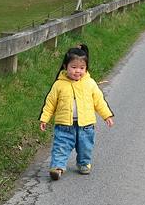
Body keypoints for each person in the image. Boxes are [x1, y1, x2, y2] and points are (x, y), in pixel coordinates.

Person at [39, 44, 114, 180]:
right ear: (65, 67)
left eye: (81, 68)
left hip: (86, 126)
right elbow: (50, 103)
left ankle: (84, 163)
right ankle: (57, 167)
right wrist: (44, 118)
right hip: (64, 126)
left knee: (85, 146)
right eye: (73, 67)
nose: (77, 71)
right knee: (60, 146)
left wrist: (107, 115)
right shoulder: (59, 84)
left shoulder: (90, 83)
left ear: (86, 68)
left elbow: (99, 101)